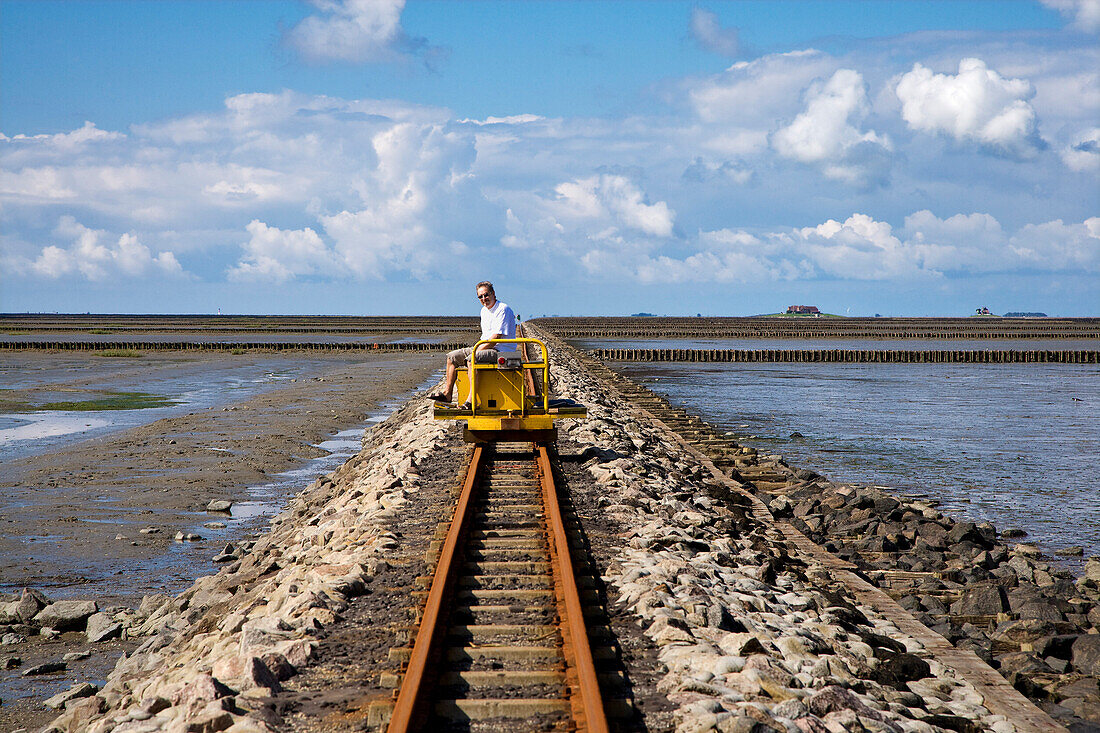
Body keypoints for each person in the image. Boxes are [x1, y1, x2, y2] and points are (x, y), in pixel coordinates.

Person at [429, 281, 516, 408]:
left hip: (501, 349)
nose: (484, 299)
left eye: (486, 295)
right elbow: (486, 337)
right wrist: (477, 349)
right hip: (485, 346)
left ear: (493, 294)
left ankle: (471, 400)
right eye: (480, 296)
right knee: (452, 357)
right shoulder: (484, 311)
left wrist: (476, 351)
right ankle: (447, 394)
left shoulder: (503, 309)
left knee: (471, 359)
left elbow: (496, 338)